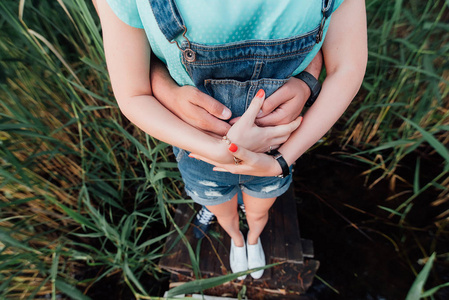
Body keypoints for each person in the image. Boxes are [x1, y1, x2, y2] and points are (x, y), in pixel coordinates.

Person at [94, 0, 367, 280]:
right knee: (223, 212)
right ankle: (237, 238)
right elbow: (133, 88)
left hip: (275, 151)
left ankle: (253, 238)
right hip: (201, 153)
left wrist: (280, 161)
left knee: (260, 212)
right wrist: (215, 149)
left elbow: (346, 65)